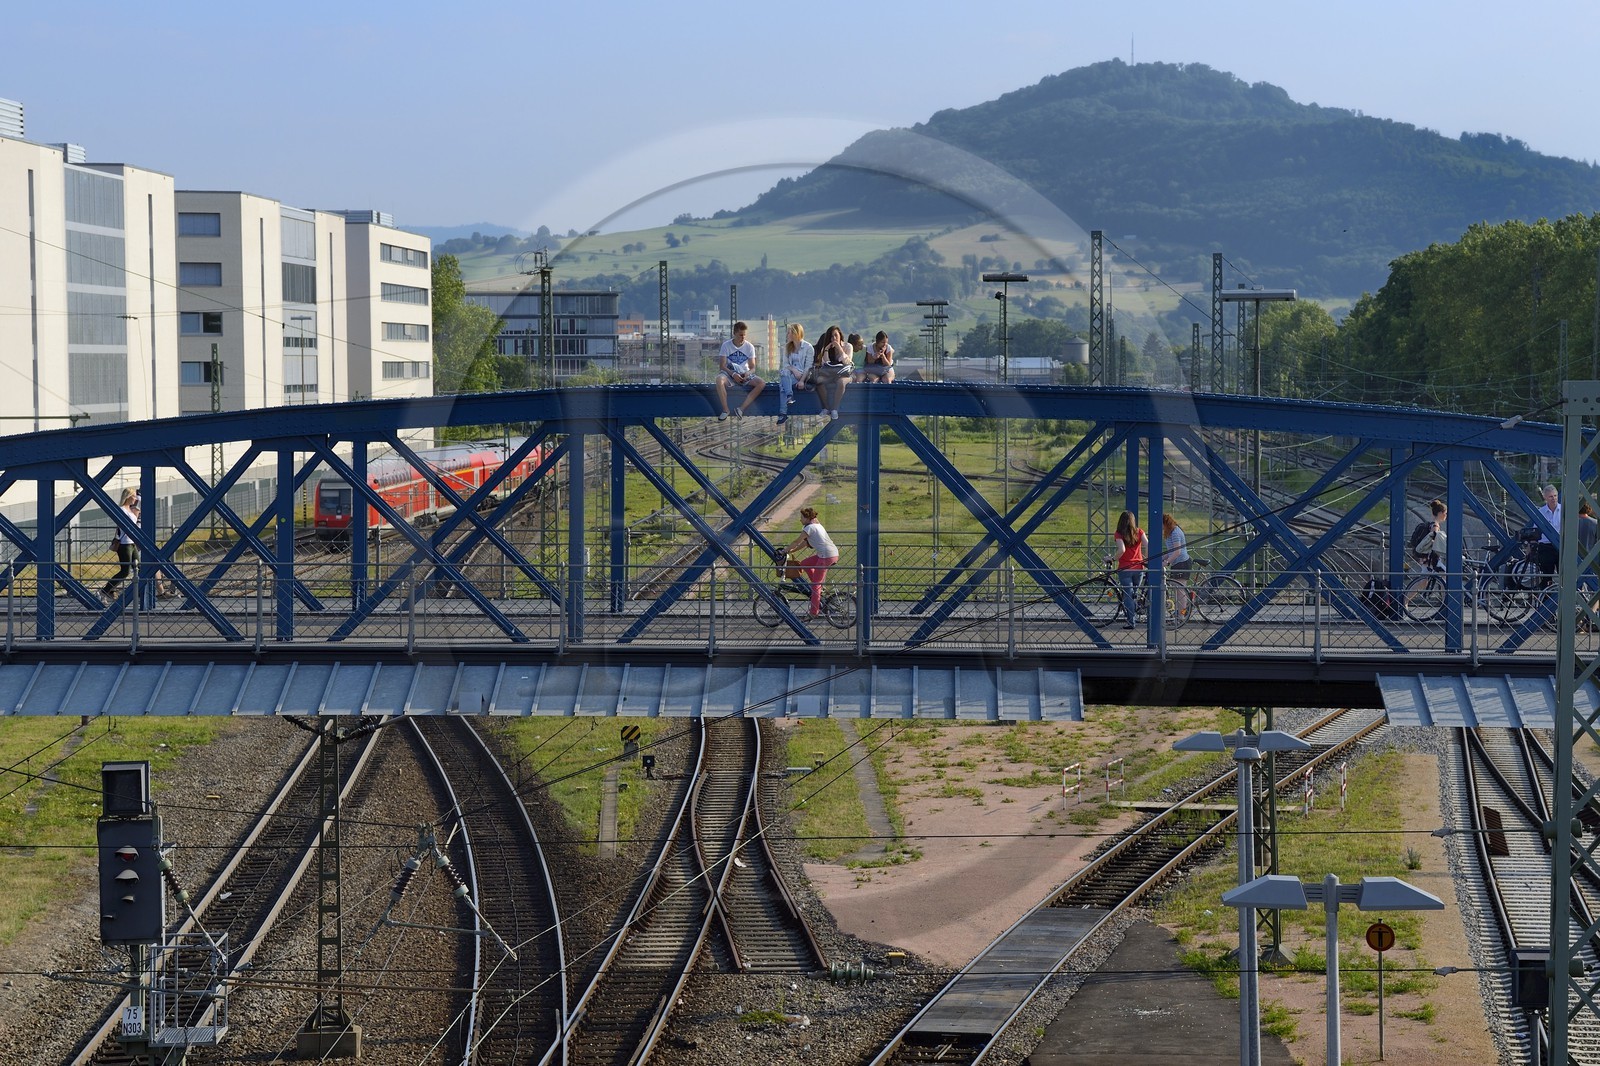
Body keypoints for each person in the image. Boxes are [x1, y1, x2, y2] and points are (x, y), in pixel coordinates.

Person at [780, 507, 840, 618]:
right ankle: (818, 589)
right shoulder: (816, 526)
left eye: (801, 517)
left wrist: (784, 551)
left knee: (815, 586)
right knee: (804, 564)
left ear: (807, 518)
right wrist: (792, 550)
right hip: (830, 554)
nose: (800, 520)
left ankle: (813, 613)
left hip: (826, 556)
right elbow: (806, 543)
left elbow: (797, 541)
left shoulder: (809, 528)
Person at [713, 320, 765, 420]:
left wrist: (747, 373)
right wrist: (733, 375)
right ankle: (725, 410)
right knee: (719, 379)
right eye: (740, 335)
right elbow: (722, 366)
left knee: (761, 383)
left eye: (744, 335)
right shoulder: (726, 345)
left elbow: (753, 367)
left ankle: (741, 408)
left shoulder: (749, 347)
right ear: (734, 333)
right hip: (729, 374)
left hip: (744, 374)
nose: (743, 338)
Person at [1110, 510, 1146, 629]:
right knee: (1135, 594)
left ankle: (1131, 622)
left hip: (1125, 569)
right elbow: (1147, 544)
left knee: (1128, 596)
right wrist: (1145, 558)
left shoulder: (1119, 534)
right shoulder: (1139, 532)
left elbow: (1122, 550)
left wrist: (1113, 559)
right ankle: (1139, 614)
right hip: (1139, 568)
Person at [102, 488, 139, 600]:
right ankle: (106, 590)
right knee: (125, 571)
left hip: (132, 543)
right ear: (128, 497)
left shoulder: (130, 509)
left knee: (139, 568)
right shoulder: (122, 509)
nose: (136, 498)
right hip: (124, 544)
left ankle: (137, 592)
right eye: (134, 496)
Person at [811, 325, 852, 421]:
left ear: (840, 335)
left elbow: (847, 362)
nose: (833, 338)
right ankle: (826, 408)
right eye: (831, 336)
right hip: (831, 374)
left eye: (835, 335)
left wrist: (839, 348)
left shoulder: (848, 346)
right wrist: (826, 350)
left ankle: (834, 409)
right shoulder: (826, 348)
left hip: (845, 374)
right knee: (818, 381)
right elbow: (825, 364)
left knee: (841, 383)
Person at [776, 323, 814, 427]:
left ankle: (783, 413)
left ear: (795, 334)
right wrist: (793, 369)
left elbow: (808, 367)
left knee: (782, 384)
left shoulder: (808, 347)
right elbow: (785, 365)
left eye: (789, 332)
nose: (787, 335)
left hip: (803, 375)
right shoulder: (787, 347)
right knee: (784, 373)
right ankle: (789, 395)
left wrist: (801, 380)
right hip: (791, 375)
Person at [1160, 514, 1192, 610]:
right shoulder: (1171, 532)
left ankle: (1181, 616)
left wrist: (1167, 562)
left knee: (1180, 591)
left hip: (1181, 563)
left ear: (1165, 523)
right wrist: (1161, 558)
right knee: (1178, 590)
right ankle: (1179, 613)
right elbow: (1171, 551)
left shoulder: (1175, 533)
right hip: (1178, 563)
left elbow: (1177, 551)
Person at [1408, 498, 1447, 572]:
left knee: (1424, 581)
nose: (1446, 515)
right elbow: (1433, 539)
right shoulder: (1435, 526)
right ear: (1440, 513)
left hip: (1426, 557)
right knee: (1445, 575)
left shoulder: (1432, 524)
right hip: (1429, 558)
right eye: (1445, 513)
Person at [1535, 484, 1561, 577]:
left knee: (1563, 575)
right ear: (1545, 497)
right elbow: (1536, 530)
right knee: (1546, 576)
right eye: (1550, 496)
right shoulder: (1541, 512)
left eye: (1555, 496)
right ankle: (1547, 591)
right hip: (1546, 548)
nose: (1553, 498)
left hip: (1560, 547)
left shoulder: (1563, 511)